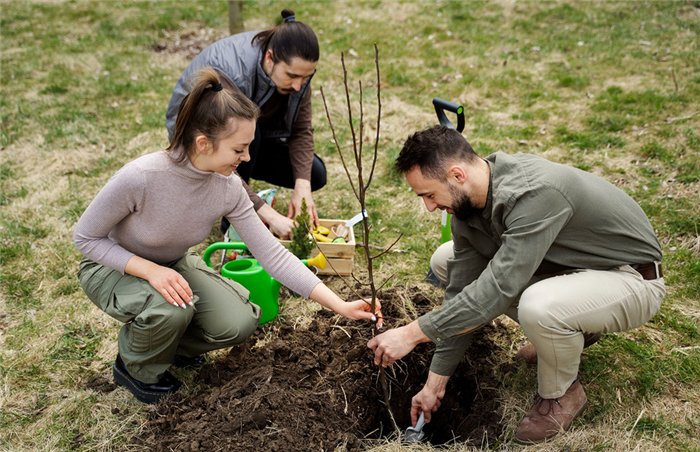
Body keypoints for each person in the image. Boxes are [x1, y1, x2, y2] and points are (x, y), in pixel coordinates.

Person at [75, 68, 380, 404]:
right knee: (173, 310)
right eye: (239, 149)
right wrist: (149, 270)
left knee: (239, 321)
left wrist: (340, 306)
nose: (247, 158)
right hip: (111, 266)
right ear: (203, 144)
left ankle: (163, 344)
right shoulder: (141, 177)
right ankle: (135, 366)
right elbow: (86, 238)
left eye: (249, 147)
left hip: (171, 263)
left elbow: (272, 254)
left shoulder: (228, 187)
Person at [367, 125, 665, 443]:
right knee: (445, 259)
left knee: (538, 305)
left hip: (631, 278)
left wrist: (412, 334)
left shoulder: (533, 193)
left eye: (429, 194)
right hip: (574, 271)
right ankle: (569, 332)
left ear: (457, 175)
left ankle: (562, 394)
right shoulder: (468, 213)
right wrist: (434, 386)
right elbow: (462, 294)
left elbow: (496, 291)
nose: (428, 207)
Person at [166, 8, 324, 239]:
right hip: (201, 145)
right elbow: (218, 147)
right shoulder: (229, 73)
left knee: (313, 174)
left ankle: (241, 185)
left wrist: (302, 187)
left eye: (306, 77)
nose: (299, 85)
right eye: (292, 76)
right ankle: (233, 215)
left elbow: (301, 131)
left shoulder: (295, 74)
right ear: (269, 58)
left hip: (247, 136)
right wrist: (267, 214)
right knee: (250, 134)